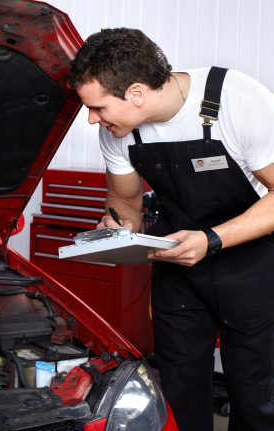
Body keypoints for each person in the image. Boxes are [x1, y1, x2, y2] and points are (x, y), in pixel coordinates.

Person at [68, 28, 274, 431]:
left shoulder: (236, 100)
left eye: (97, 107)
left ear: (137, 93)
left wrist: (213, 239)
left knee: (256, 392)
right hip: (176, 262)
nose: (92, 118)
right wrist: (120, 227)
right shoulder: (120, 132)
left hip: (252, 263)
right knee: (177, 385)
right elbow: (126, 200)